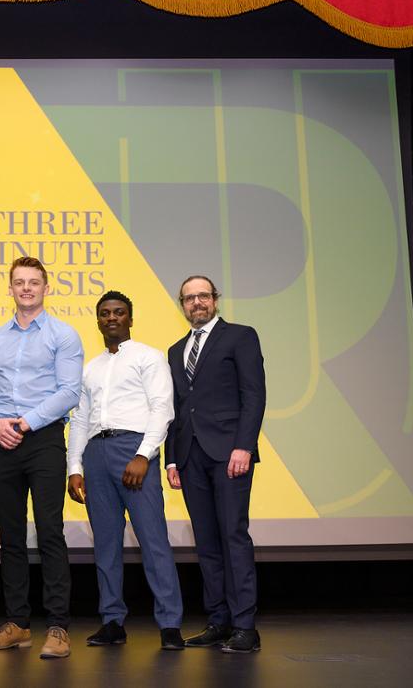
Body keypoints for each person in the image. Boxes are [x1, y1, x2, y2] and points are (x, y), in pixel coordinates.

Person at [0, 256, 84, 659]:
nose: (26, 288)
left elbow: (70, 391)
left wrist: (26, 422)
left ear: (45, 287)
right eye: (19, 282)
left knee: (51, 531)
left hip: (43, 438)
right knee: (11, 535)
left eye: (33, 282)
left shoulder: (64, 335)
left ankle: (58, 627)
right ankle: (18, 625)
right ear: (10, 287)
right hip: (2, 440)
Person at [67, 290, 185, 650]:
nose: (112, 318)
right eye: (105, 313)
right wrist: (74, 466)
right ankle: (113, 621)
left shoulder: (149, 357)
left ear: (130, 318)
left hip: (133, 450)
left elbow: (162, 408)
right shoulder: (91, 368)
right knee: (105, 546)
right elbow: (80, 419)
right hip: (96, 455)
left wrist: (144, 455)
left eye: (119, 312)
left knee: (153, 541)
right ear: (98, 320)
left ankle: (169, 624)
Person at [165, 275, 266, 654]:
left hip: (229, 455)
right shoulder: (176, 351)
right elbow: (175, 409)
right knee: (206, 543)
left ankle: (245, 627)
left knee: (233, 537)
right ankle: (218, 621)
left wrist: (244, 446)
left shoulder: (240, 336)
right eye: (189, 298)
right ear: (182, 304)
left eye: (203, 296)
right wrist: (171, 459)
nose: (197, 303)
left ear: (215, 299)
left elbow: (253, 395)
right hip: (190, 457)